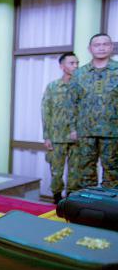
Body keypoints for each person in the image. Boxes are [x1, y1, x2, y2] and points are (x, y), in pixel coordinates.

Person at [68, 33, 117, 190]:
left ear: (111, 47)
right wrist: (73, 128)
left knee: (113, 172)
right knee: (85, 171)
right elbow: (72, 102)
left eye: (105, 44)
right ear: (90, 49)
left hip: (113, 131)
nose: (101, 48)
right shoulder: (79, 74)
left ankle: (109, 203)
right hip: (85, 131)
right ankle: (88, 202)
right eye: (97, 45)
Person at [41, 52, 79, 203]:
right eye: (72, 63)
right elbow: (46, 112)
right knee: (56, 172)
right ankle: (56, 200)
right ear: (62, 66)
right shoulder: (53, 87)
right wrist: (46, 136)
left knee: (75, 173)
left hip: (77, 138)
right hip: (57, 137)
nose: (75, 66)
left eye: (77, 63)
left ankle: (71, 201)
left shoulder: (81, 86)